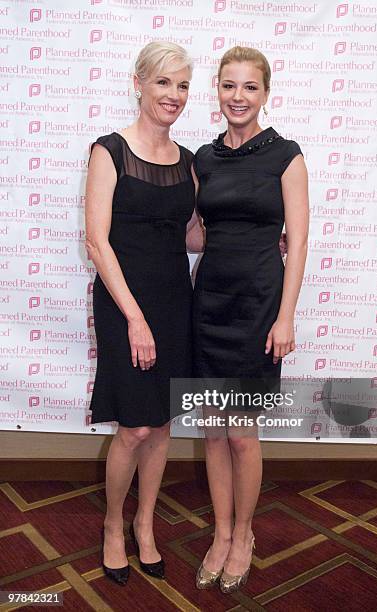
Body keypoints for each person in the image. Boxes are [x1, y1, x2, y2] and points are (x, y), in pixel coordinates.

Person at [190, 46, 309, 592]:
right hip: (208, 303)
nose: (238, 97)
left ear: (266, 92)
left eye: (250, 87)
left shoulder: (286, 155)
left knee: (242, 434)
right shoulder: (203, 158)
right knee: (212, 430)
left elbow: (299, 242)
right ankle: (219, 531)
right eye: (228, 86)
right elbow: (195, 232)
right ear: (217, 90)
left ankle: (244, 534)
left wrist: (285, 316)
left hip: (258, 306)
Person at [85, 41, 195, 586]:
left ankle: (145, 524)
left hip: (177, 302)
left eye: (182, 85)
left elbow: (192, 234)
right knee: (134, 427)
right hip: (125, 303)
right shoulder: (110, 150)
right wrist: (134, 318)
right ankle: (112, 525)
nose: (173, 95)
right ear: (139, 82)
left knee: (164, 424)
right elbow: (97, 242)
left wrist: (259, 237)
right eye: (163, 83)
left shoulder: (191, 162)